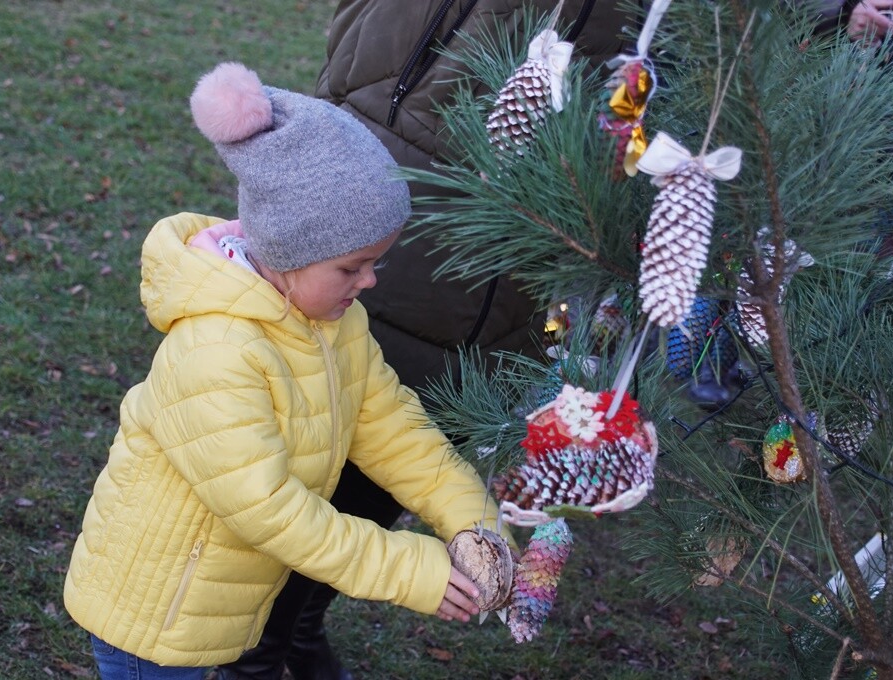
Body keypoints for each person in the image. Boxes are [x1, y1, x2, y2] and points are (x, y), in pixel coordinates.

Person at [216, 2, 630, 680]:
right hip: (401, 132)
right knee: (315, 442)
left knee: (406, 443)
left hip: (522, 227)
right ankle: (261, 648)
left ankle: (293, 630)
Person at [63, 60, 510, 680]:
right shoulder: (217, 351)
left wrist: (471, 519)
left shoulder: (330, 322)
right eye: (353, 266)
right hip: (155, 618)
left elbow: (392, 427)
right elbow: (271, 509)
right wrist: (412, 569)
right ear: (291, 252)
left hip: (217, 602)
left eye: (377, 261)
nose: (371, 281)